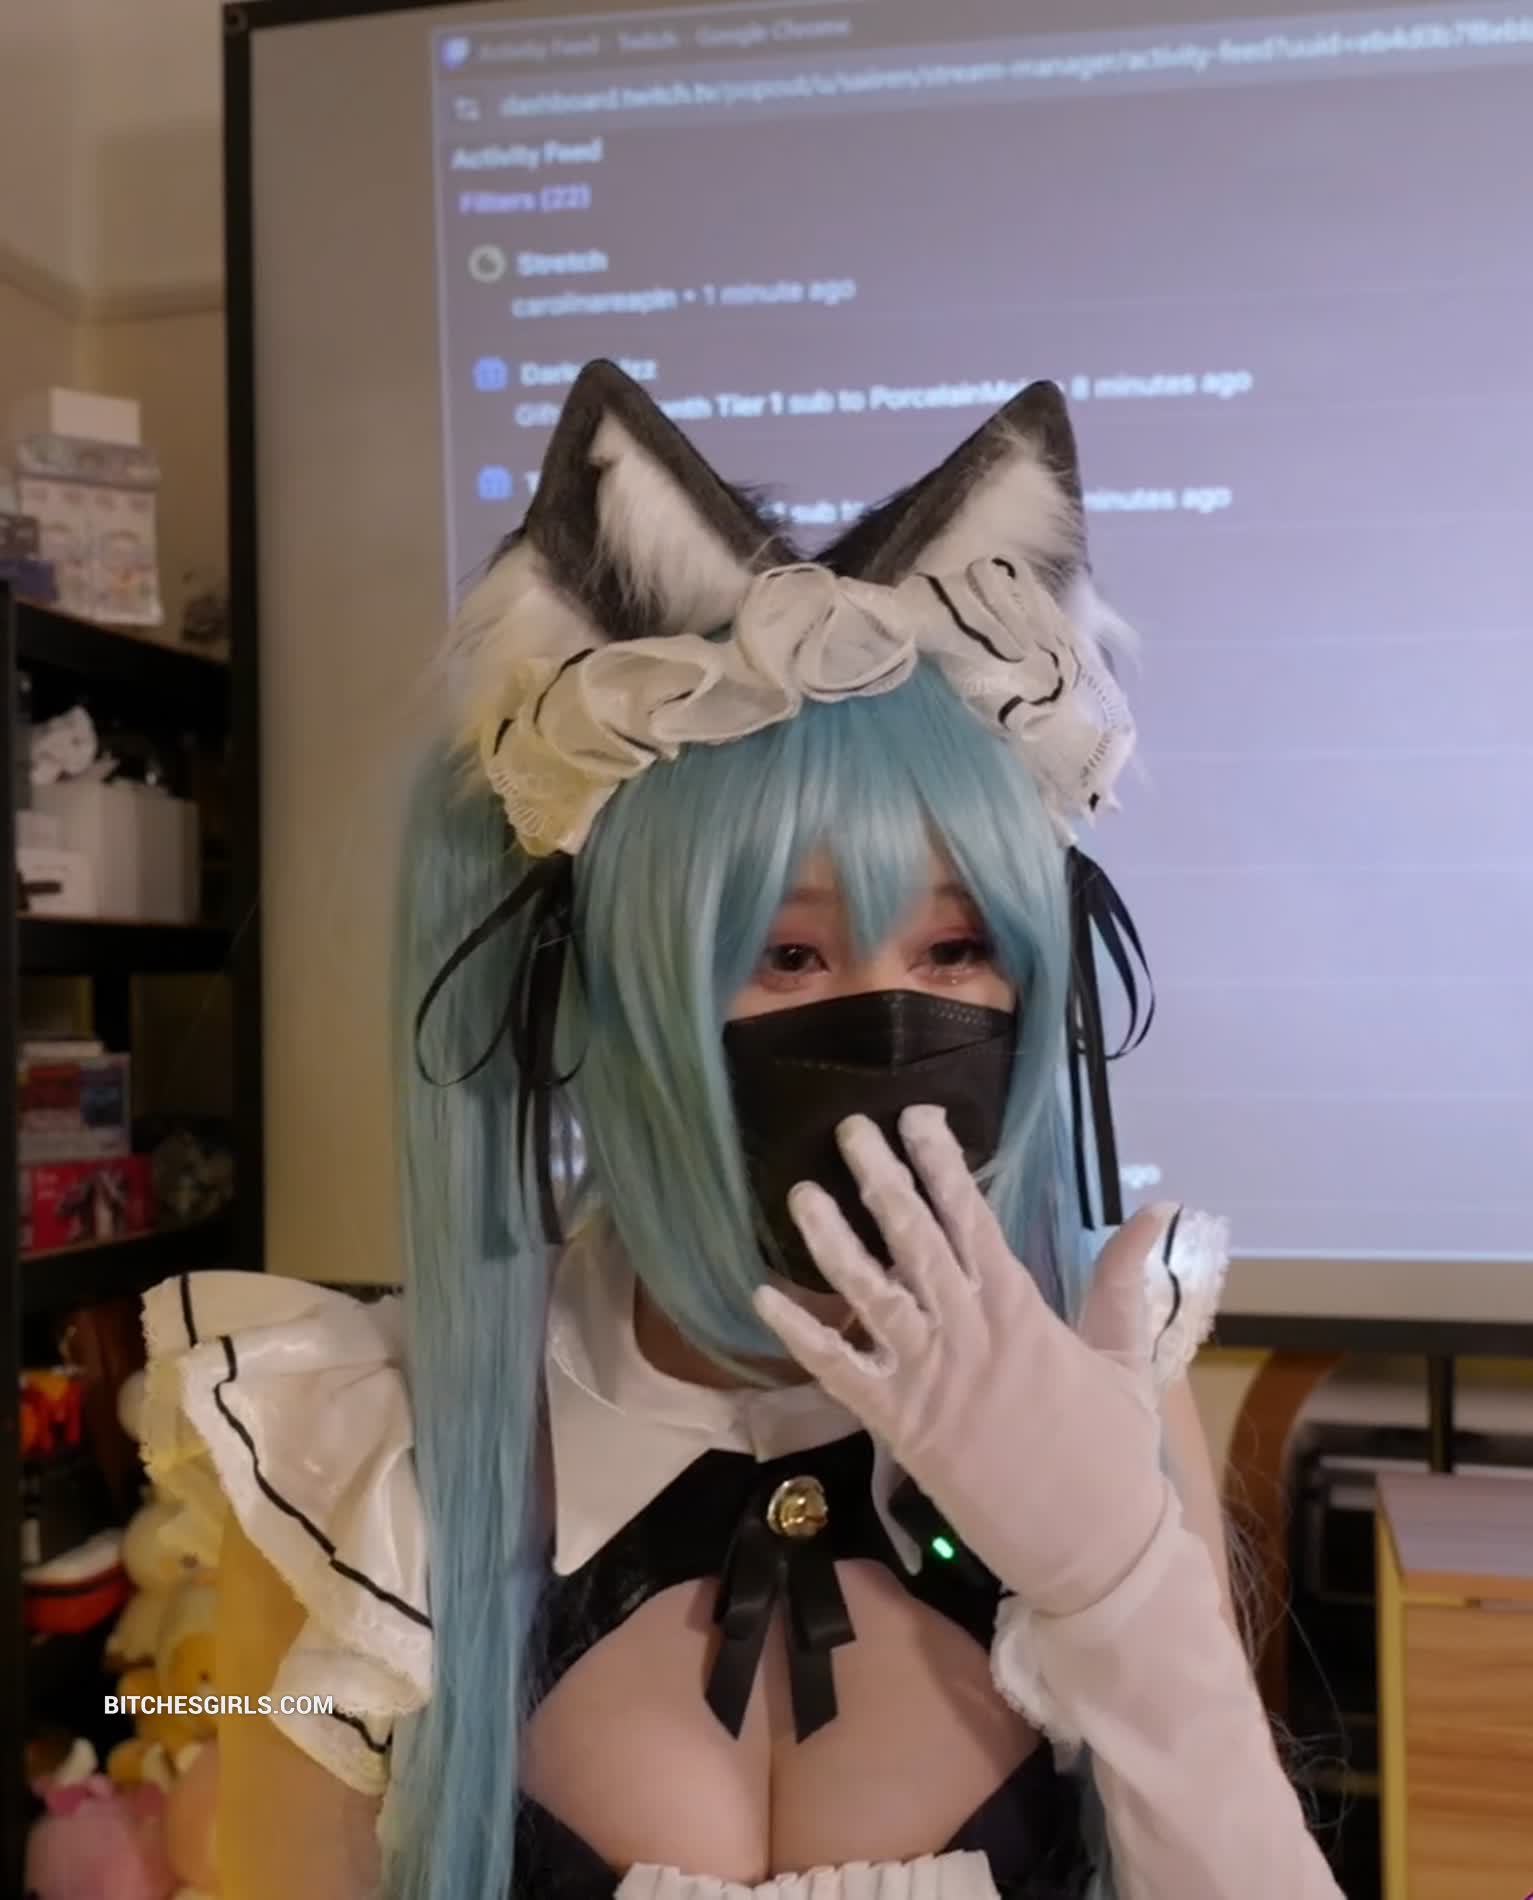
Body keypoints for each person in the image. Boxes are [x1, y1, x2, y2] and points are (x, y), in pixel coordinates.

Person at [140, 362, 1344, 1900]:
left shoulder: (1100, 1394)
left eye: (956, 948)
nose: (890, 1021)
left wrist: (1118, 1587)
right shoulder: (357, 1466)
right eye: (786, 952)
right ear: (609, 992)